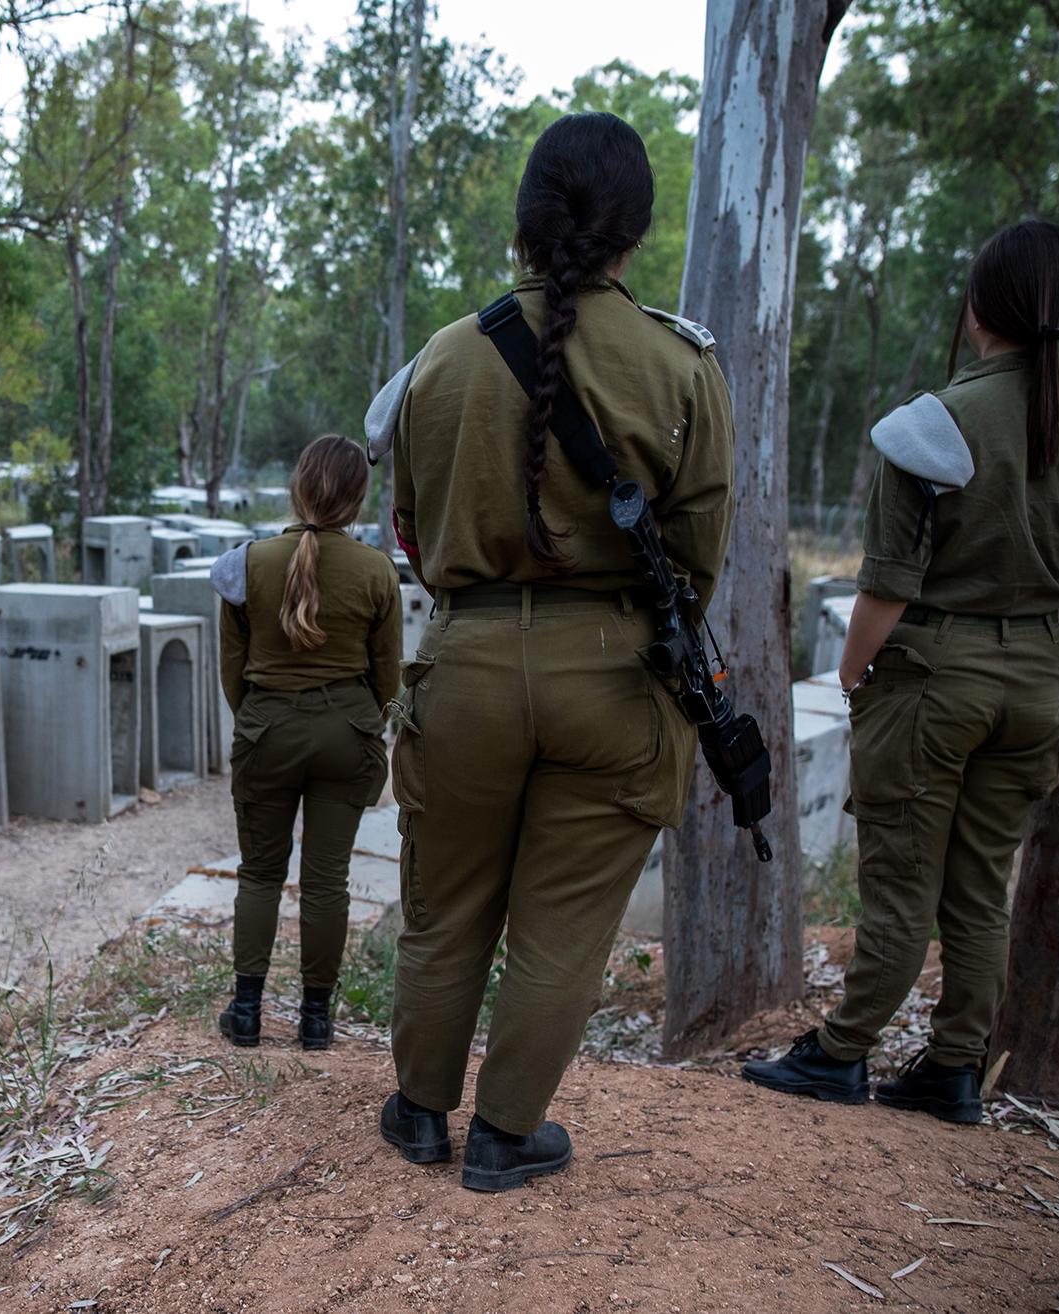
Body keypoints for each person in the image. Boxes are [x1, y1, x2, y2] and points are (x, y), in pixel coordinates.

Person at [374, 112, 734, 1192]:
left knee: (444, 911)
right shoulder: (678, 367)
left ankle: (418, 1113)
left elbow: (411, 532)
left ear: (525, 219)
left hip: (468, 664)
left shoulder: (439, 360)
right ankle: (506, 1133)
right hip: (614, 678)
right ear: (633, 228)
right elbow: (699, 555)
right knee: (561, 929)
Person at [743, 220, 1059, 1123]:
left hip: (932, 680)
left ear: (979, 312)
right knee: (980, 886)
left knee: (900, 878)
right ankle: (955, 1067)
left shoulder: (931, 426)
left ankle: (841, 1053)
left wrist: (854, 679)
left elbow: (885, 590)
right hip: (1033, 689)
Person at [212, 434, 403, 1053]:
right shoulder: (377, 570)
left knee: (260, 873)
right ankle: (315, 1020)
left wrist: (264, 721)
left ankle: (245, 1014)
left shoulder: (246, 564)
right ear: (357, 498)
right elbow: (388, 676)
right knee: (327, 881)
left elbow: (231, 669)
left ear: (298, 486)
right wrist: (356, 722)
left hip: (267, 727)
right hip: (347, 732)